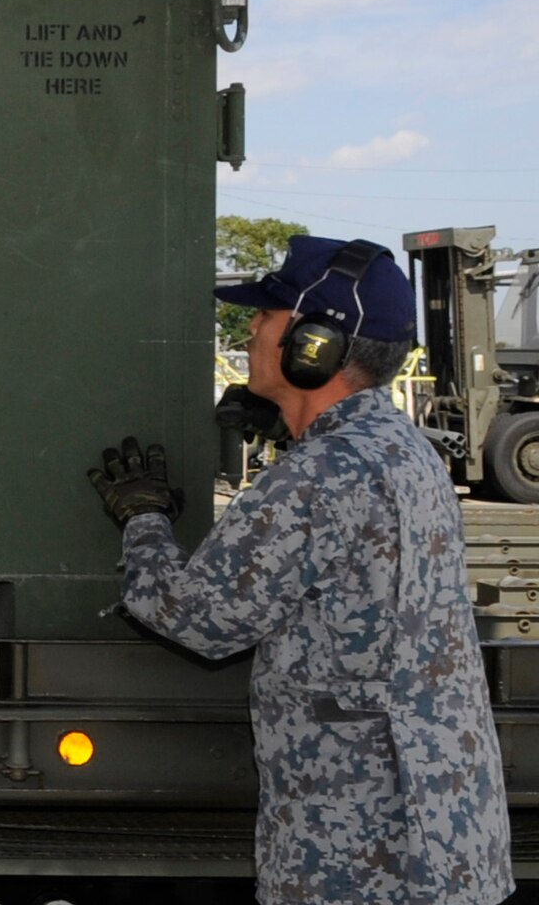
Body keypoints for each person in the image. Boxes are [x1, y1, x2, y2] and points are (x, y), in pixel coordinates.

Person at [88, 236, 513, 905]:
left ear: (315, 346)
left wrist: (144, 518)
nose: (252, 328)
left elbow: (197, 618)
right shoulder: (399, 445)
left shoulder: (324, 474)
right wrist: (289, 424)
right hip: (437, 832)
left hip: (365, 852)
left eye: (268, 315)